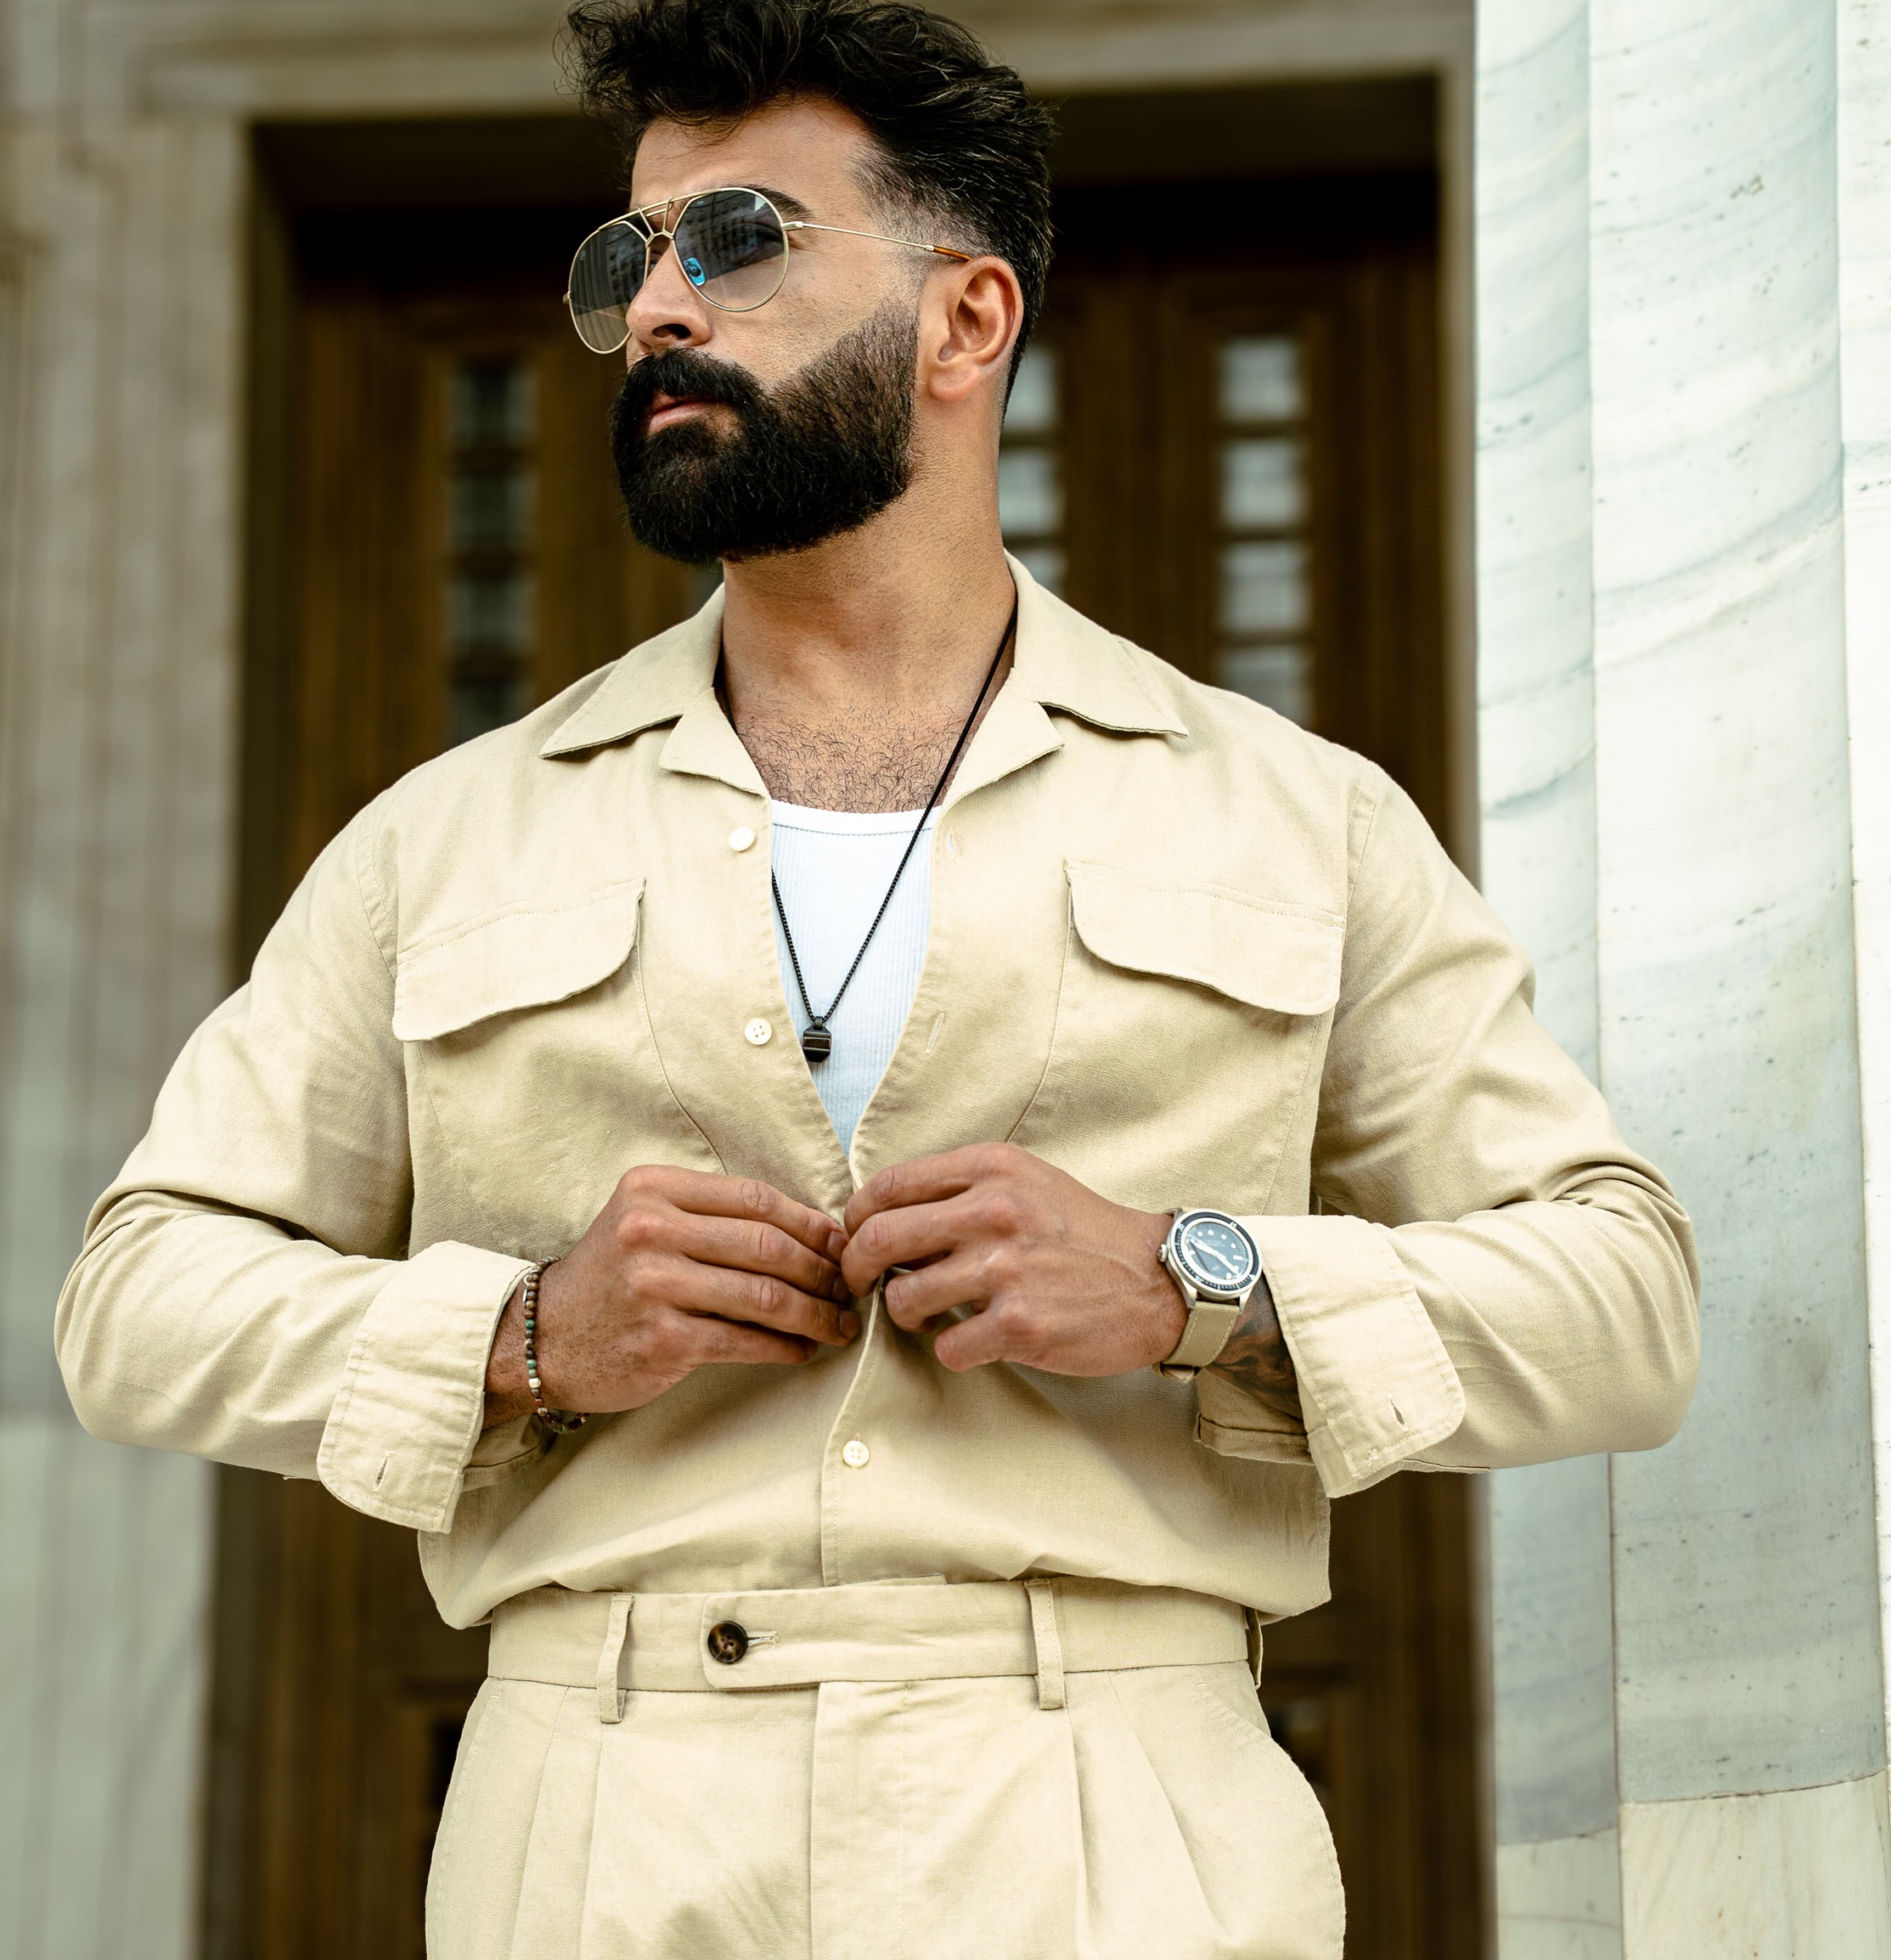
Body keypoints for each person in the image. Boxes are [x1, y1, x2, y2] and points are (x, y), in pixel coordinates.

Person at [56, 2, 1700, 1953]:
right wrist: (516, 1338)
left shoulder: (1299, 820)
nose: (660, 304)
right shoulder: (443, 837)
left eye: (739, 239)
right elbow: (135, 1303)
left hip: (1121, 1819)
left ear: (965, 321)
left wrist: (1198, 1283)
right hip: (595, 1818)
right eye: (633, 254)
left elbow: (1626, 1300)